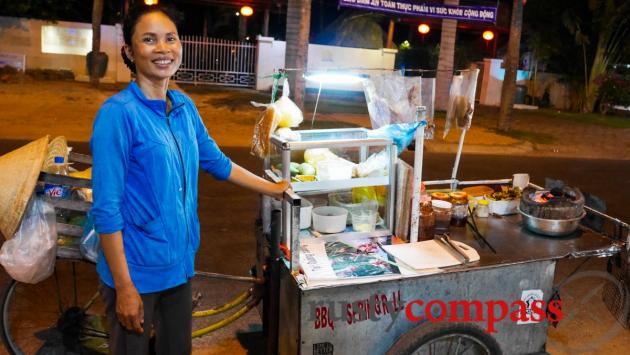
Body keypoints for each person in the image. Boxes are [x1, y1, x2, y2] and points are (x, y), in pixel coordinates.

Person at [89, 5, 289, 354]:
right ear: (129, 52)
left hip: (179, 266)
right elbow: (106, 209)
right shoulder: (118, 115)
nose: (163, 49)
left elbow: (218, 162)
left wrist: (274, 188)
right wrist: (124, 287)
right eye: (149, 40)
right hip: (135, 270)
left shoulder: (182, 106)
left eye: (170, 39)